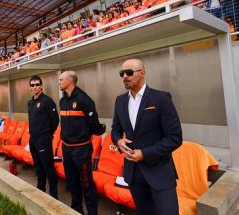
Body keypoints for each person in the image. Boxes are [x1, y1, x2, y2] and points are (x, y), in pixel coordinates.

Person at [111, 59, 183, 215]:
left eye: (129, 73)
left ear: (142, 73)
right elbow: (115, 130)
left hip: (159, 172)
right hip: (133, 173)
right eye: (122, 73)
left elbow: (175, 138)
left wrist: (144, 154)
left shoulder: (161, 99)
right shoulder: (120, 101)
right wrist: (118, 140)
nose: (124, 76)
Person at [59, 71, 105, 215]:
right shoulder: (63, 101)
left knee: (86, 183)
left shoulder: (85, 100)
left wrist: (97, 131)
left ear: (69, 81)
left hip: (82, 150)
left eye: (61, 80)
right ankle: (77, 210)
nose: (59, 82)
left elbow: (94, 125)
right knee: (72, 182)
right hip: (66, 149)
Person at [27, 75, 59, 199]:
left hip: (43, 139)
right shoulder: (30, 102)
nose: (35, 87)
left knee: (48, 167)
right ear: (30, 88)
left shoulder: (47, 101)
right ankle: (40, 190)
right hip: (33, 139)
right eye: (32, 85)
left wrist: (47, 133)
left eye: (37, 84)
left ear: (41, 86)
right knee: (38, 167)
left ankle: (53, 195)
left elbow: (55, 120)